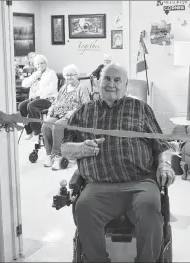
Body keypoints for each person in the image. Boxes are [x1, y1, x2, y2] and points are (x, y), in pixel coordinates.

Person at [61, 63, 176, 262]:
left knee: (149, 208)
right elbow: (64, 148)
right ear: (98, 82)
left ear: (125, 85)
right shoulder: (83, 112)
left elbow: (163, 146)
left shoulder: (140, 109)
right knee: (83, 208)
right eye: (107, 79)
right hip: (98, 185)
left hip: (140, 183)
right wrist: (80, 148)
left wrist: (165, 165)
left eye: (117, 80)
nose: (111, 84)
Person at [41, 64, 90, 169]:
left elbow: (87, 105)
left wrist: (72, 112)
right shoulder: (63, 87)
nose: (69, 77)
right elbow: (56, 101)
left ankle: (58, 156)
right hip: (58, 113)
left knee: (57, 126)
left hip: (73, 116)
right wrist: (51, 108)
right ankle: (49, 155)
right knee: (46, 125)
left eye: (72, 75)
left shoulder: (82, 87)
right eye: (67, 75)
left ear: (77, 75)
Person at [19, 54, 58, 140]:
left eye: (41, 63)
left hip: (48, 98)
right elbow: (24, 84)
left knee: (31, 105)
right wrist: (34, 77)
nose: (39, 66)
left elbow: (51, 88)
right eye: (37, 64)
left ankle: (37, 130)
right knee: (21, 106)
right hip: (35, 98)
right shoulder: (36, 73)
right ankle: (29, 131)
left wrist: (37, 94)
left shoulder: (51, 73)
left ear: (46, 63)